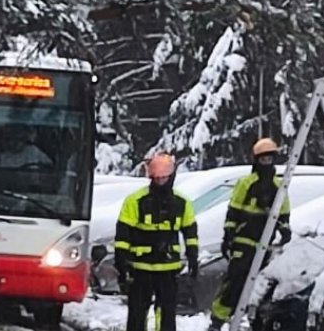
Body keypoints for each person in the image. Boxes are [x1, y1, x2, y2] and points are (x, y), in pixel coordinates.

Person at [208, 138, 291, 331]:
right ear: (256, 160)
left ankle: (256, 321)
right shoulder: (246, 183)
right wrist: (228, 235)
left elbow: (284, 212)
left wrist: (285, 230)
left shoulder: (279, 186)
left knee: (261, 285)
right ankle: (218, 320)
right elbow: (234, 210)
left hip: (265, 244)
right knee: (234, 281)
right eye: (263, 160)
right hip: (244, 240)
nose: (267, 163)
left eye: (270, 159)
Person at [115, 153, 199, 331]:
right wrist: (121, 264)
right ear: (151, 177)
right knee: (137, 313)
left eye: (164, 178)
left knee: (167, 314)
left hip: (168, 269)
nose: (161, 182)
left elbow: (190, 231)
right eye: (157, 178)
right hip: (140, 268)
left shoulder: (182, 203)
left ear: (172, 176)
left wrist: (193, 257)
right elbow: (123, 234)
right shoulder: (135, 201)